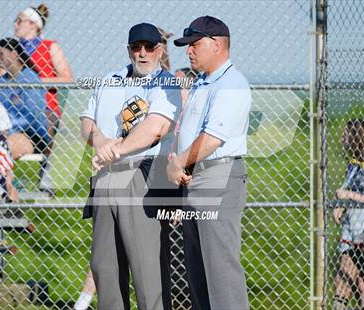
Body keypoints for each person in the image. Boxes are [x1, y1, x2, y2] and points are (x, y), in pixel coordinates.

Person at [80, 22, 181, 310]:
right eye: (137, 47)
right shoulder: (109, 79)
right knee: (104, 265)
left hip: (143, 176)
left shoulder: (167, 83)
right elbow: (86, 121)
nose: (143, 53)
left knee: (146, 269)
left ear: (159, 50)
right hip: (105, 178)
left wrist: (114, 150)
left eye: (150, 47)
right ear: (129, 50)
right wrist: (99, 139)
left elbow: (155, 129)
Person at [168, 16, 252, 310]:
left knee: (220, 269)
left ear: (217, 45)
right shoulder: (203, 82)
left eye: (195, 44)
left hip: (219, 175)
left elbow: (213, 137)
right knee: (198, 270)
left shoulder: (232, 83)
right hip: (196, 177)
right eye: (187, 46)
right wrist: (181, 166)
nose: (189, 51)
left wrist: (178, 163)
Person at [14, 4, 73, 193]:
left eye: (19, 20)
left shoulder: (49, 46)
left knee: (45, 125)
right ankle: (8, 183)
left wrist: (34, 81)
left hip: (45, 107)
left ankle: (47, 182)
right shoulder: (12, 50)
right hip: (16, 107)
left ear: (33, 24)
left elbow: (66, 78)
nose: (15, 24)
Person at [332, 119, 364, 310]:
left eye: (345, 135)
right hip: (351, 224)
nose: (342, 138)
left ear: (354, 137)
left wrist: (349, 196)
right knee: (361, 280)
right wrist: (341, 206)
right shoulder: (353, 162)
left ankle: (338, 306)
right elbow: (349, 188)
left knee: (348, 273)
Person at [0, 38, 50, 160]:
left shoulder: (30, 79)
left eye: (1, 53)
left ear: (14, 53)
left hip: (32, 133)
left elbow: (33, 115)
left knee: (4, 147)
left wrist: (9, 129)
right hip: (4, 133)